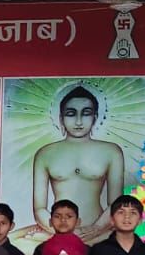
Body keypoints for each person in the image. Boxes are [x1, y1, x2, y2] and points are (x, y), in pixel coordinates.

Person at [30, 85, 126, 242]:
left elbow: (115, 204)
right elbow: (39, 208)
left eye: (86, 113)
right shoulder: (45, 153)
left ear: (95, 117)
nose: (79, 121)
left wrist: (95, 229)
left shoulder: (111, 151)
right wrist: (61, 232)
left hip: (99, 230)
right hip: (55, 230)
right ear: (61, 118)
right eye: (71, 114)